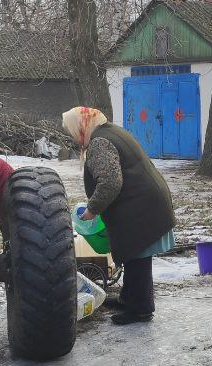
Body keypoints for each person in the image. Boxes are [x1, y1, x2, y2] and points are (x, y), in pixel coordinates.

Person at [63, 106, 176, 325]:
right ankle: (129, 299)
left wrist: (92, 209)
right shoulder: (110, 131)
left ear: (81, 125)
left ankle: (141, 309)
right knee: (133, 256)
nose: (73, 136)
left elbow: (110, 182)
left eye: (72, 130)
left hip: (140, 205)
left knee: (138, 256)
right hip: (145, 201)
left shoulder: (99, 142)